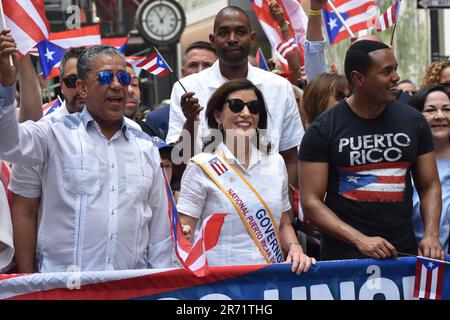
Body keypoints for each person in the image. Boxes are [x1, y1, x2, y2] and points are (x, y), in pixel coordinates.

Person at [0, 33, 174, 272]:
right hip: (63, 289)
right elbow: (8, 144)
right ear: (81, 87)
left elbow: (159, 235)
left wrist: (162, 288)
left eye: (123, 77)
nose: (116, 84)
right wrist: (6, 87)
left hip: (132, 289)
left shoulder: (146, 147)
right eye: (104, 77)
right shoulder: (52, 135)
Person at [299, 40, 445, 261]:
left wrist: (431, 235)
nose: (396, 77)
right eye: (386, 71)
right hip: (344, 260)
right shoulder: (324, 128)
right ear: (359, 78)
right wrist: (360, 239)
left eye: (395, 69)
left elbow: (429, 185)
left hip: (402, 255)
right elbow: (311, 201)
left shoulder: (414, 121)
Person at [168, 6, 303, 211]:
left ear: (252, 37)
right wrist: (190, 121)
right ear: (213, 40)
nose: (232, 38)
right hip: (209, 215)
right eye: (224, 33)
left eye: (240, 32)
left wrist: (287, 208)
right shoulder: (186, 89)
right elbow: (179, 163)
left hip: (267, 217)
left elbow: (290, 156)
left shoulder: (279, 87)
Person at [178, 78, 315, 273]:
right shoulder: (201, 166)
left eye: (254, 107)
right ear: (217, 116)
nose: (246, 113)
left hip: (269, 277)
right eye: (235, 106)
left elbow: (283, 222)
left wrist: (295, 247)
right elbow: (185, 232)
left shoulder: (275, 163)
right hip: (220, 280)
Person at [145, 41, 218, 137]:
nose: (200, 71)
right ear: (183, 72)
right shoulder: (157, 118)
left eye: (207, 65)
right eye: (193, 65)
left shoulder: (231, 108)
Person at [409, 85, 450, 253]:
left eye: (447, 109)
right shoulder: (404, 165)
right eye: (431, 110)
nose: (440, 116)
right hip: (412, 264)